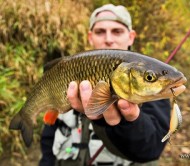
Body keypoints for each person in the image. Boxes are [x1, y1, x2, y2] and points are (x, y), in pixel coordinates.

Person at [39, 4, 171, 166]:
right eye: (100, 32)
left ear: (130, 36)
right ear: (90, 37)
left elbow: (152, 148)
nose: (108, 39)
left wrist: (124, 122)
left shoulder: (147, 80)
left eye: (117, 31)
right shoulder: (69, 70)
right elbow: (48, 140)